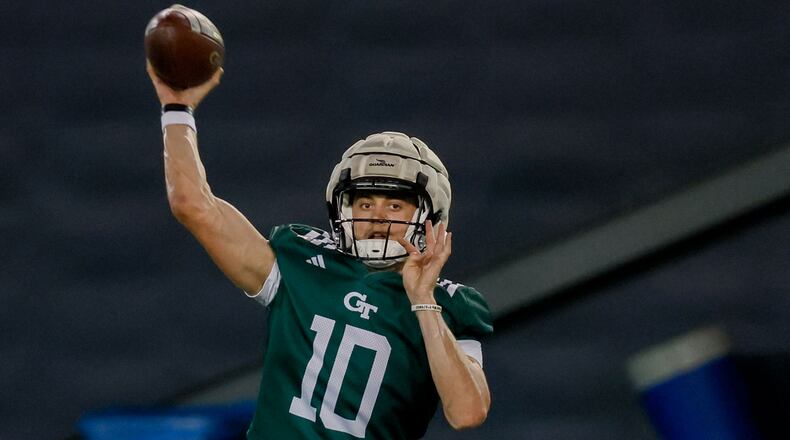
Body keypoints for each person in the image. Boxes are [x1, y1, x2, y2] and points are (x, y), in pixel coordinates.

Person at [147, 63, 493, 439]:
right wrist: (177, 108)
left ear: (429, 216)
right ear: (342, 208)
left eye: (394, 205)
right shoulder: (304, 262)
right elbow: (193, 205)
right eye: (363, 203)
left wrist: (423, 300)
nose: (376, 217)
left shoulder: (448, 303)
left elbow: (467, 412)